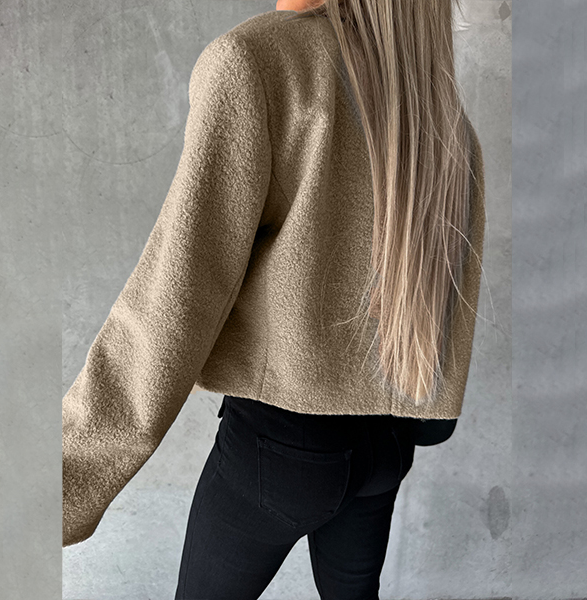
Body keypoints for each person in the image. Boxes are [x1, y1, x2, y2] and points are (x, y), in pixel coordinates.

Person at [62, 0, 486, 598]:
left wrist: (53, 487)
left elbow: (177, 289)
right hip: (386, 445)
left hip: (279, 452)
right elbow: (447, 288)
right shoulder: (430, 98)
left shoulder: (255, 62)